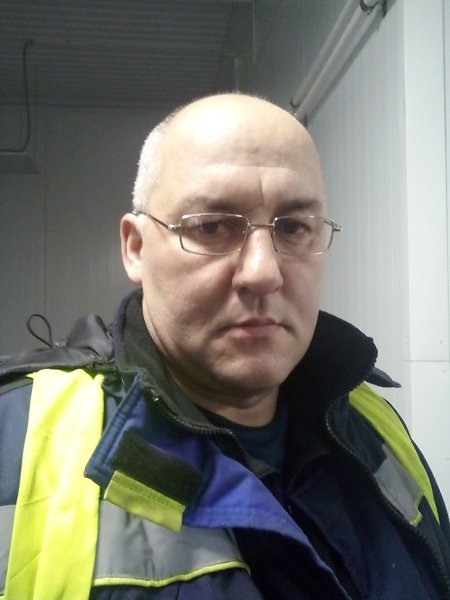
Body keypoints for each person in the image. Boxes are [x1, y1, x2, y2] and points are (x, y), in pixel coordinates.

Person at [0, 93, 449, 600]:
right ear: (136, 248)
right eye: (211, 227)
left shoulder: (376, 425)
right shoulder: (16, 442)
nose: (263, 272)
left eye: (294, 228)